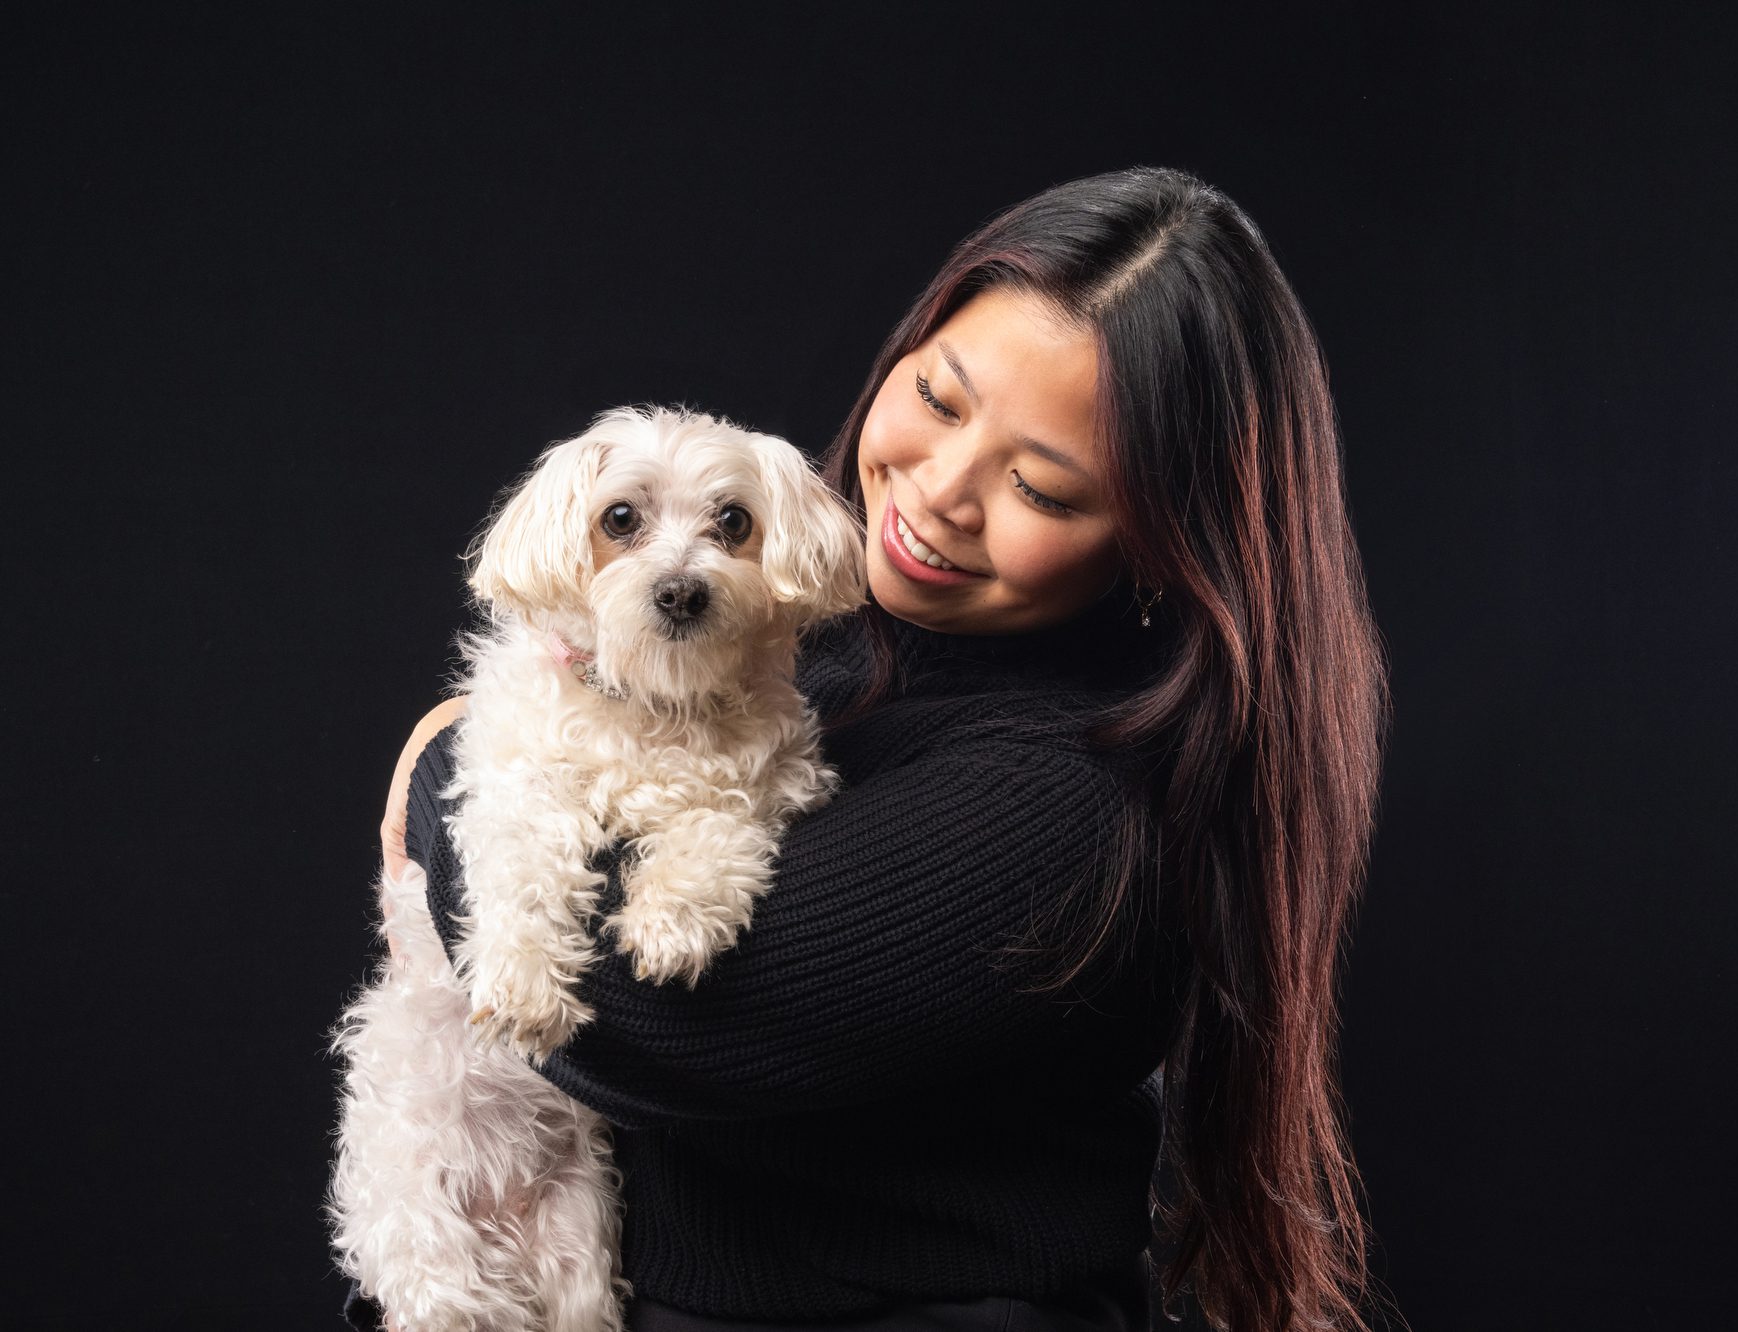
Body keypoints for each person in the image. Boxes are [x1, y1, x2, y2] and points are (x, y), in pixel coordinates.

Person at [352, 165, 1394, 1332]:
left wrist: (450, 760)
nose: (941, 491)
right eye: (941, 401)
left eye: (1040, 487)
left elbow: (627, 1021)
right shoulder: (815, 650)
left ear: (1160, 549)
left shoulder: (1070, 801)